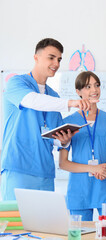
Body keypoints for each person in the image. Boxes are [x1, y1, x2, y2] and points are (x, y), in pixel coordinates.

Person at [1, 38, 95, 200]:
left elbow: (55, 136)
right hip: (18, 168)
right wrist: (71, 103)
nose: (56, 63)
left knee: (41, 225)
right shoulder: (17, 83)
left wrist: (64, 140)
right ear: (36, 58)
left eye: (59, 59)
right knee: (16, 224)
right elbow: (31, 100)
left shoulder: (54, 96)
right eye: (51, 57)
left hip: (45, 172)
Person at [59, 71, 106, 221]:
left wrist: (104, 167)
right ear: (78, 92)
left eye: (97, 85)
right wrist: (93, 168)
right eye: (88, 86)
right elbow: (63, 163)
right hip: (79, 189)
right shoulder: (68, 123)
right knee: (81, 236)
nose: (94, 90)